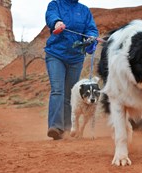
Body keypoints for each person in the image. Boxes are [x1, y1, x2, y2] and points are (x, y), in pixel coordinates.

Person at [44, 0, 99, 140]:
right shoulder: (55, 4)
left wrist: (90, 37)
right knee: (57, 90)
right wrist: (56, 23)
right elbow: (51, 16)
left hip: (76, 58)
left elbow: (91, 28)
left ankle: (67, 129)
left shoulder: (84, 10)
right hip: (56, 54)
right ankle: (55, 127)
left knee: (69, 93)